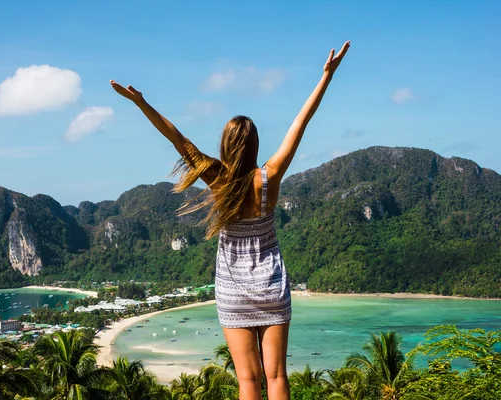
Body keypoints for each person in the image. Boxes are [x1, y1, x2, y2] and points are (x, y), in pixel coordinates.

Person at [110, 40, 350, 400]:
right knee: (278, 377)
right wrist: (326, 77)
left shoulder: (216, 178)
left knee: (248, 382)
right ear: (254, 144)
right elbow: (301, 121)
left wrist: (142, 103)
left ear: (224, 145)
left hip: (233, 291)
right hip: (271, 287)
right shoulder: (269, 177)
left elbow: (178, 140)